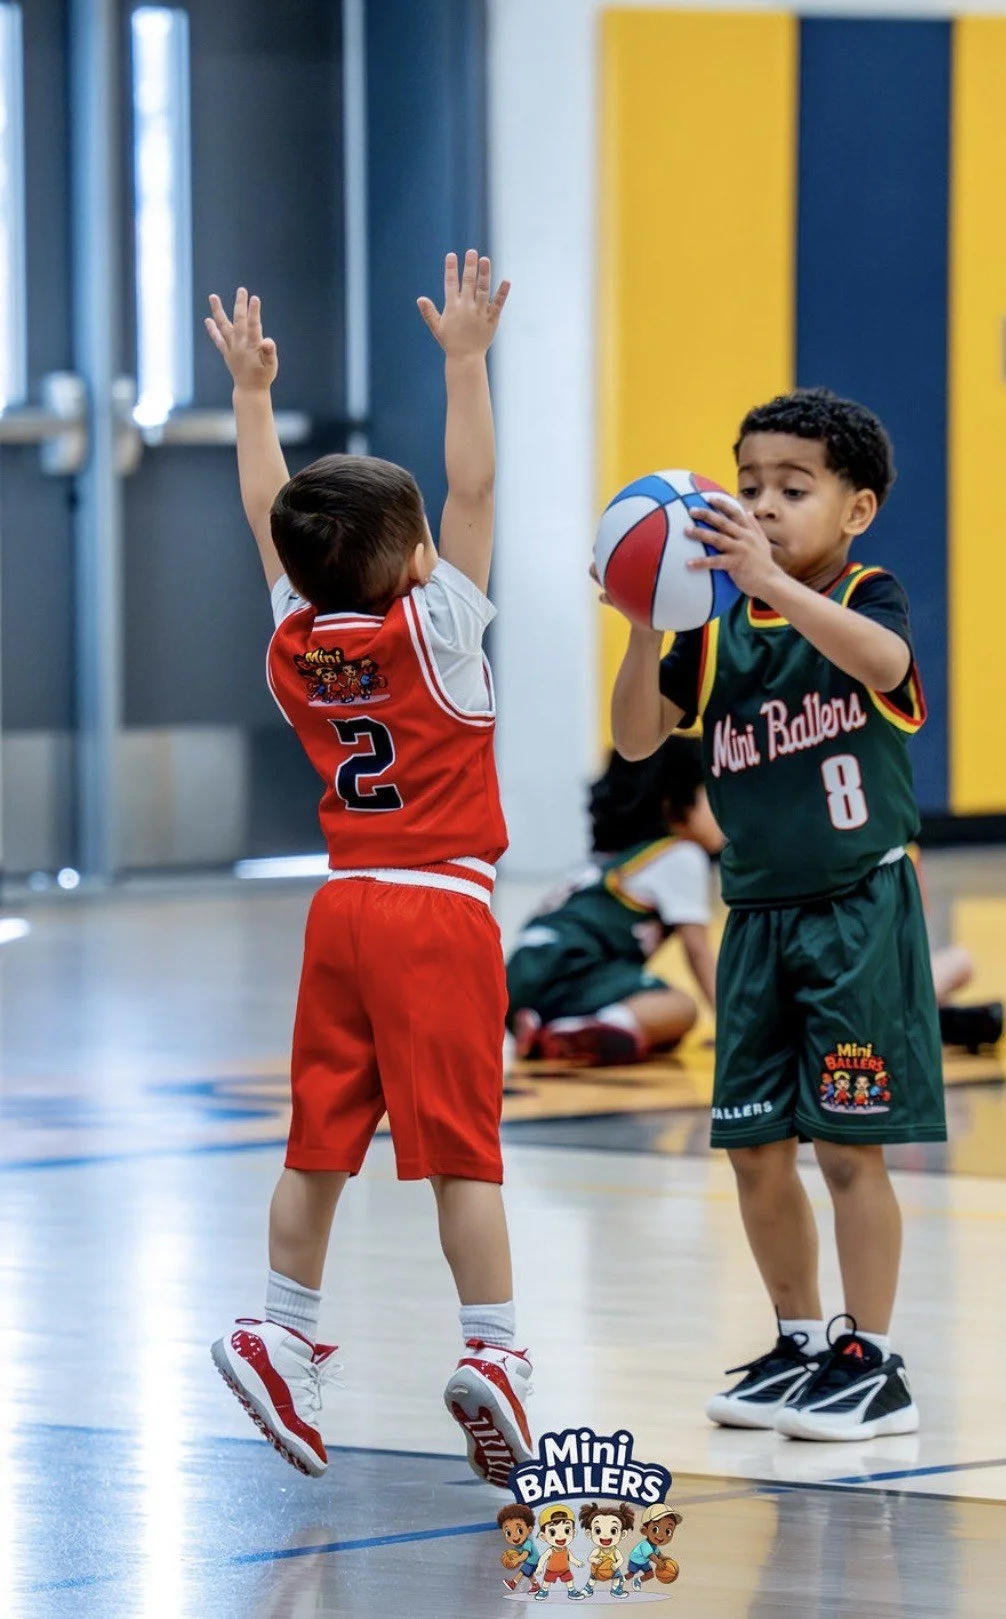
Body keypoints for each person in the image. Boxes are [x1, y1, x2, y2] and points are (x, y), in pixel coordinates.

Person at [204, 252, 534, 1487]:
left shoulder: (294, 635)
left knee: (317, 1146)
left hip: (339, 906)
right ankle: (493, 1353)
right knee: (462, 1151)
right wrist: (464, 359)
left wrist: (251, 399)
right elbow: (476, 483)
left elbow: (265, 512)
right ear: (414, 565)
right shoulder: (438, 624)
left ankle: (283, 1329)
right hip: (441, 907)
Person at [606, 386, 944, 1441]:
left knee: (850, 1148)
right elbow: (631, 739)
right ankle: (800, 1338)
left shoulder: (866, 595)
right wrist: (640, 622)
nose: (763, 504)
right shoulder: (711, 631)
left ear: (856, 508)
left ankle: (873, 1359)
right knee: (757, 1148)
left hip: (856, 910)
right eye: (748, 485)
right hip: (755, 917)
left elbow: (885, 666)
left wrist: (766, 582)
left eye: (792, 488)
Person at [507, 737, 724, 1066]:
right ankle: (587, 1027)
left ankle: (546, 1026)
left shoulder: (612, 858)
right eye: (712, 796)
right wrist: (733, 1028)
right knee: (680, 1008)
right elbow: (698, 952)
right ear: (672, 804)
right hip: (570, 965)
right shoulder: (680, 855)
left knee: (661, 1035)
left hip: (520, 979)